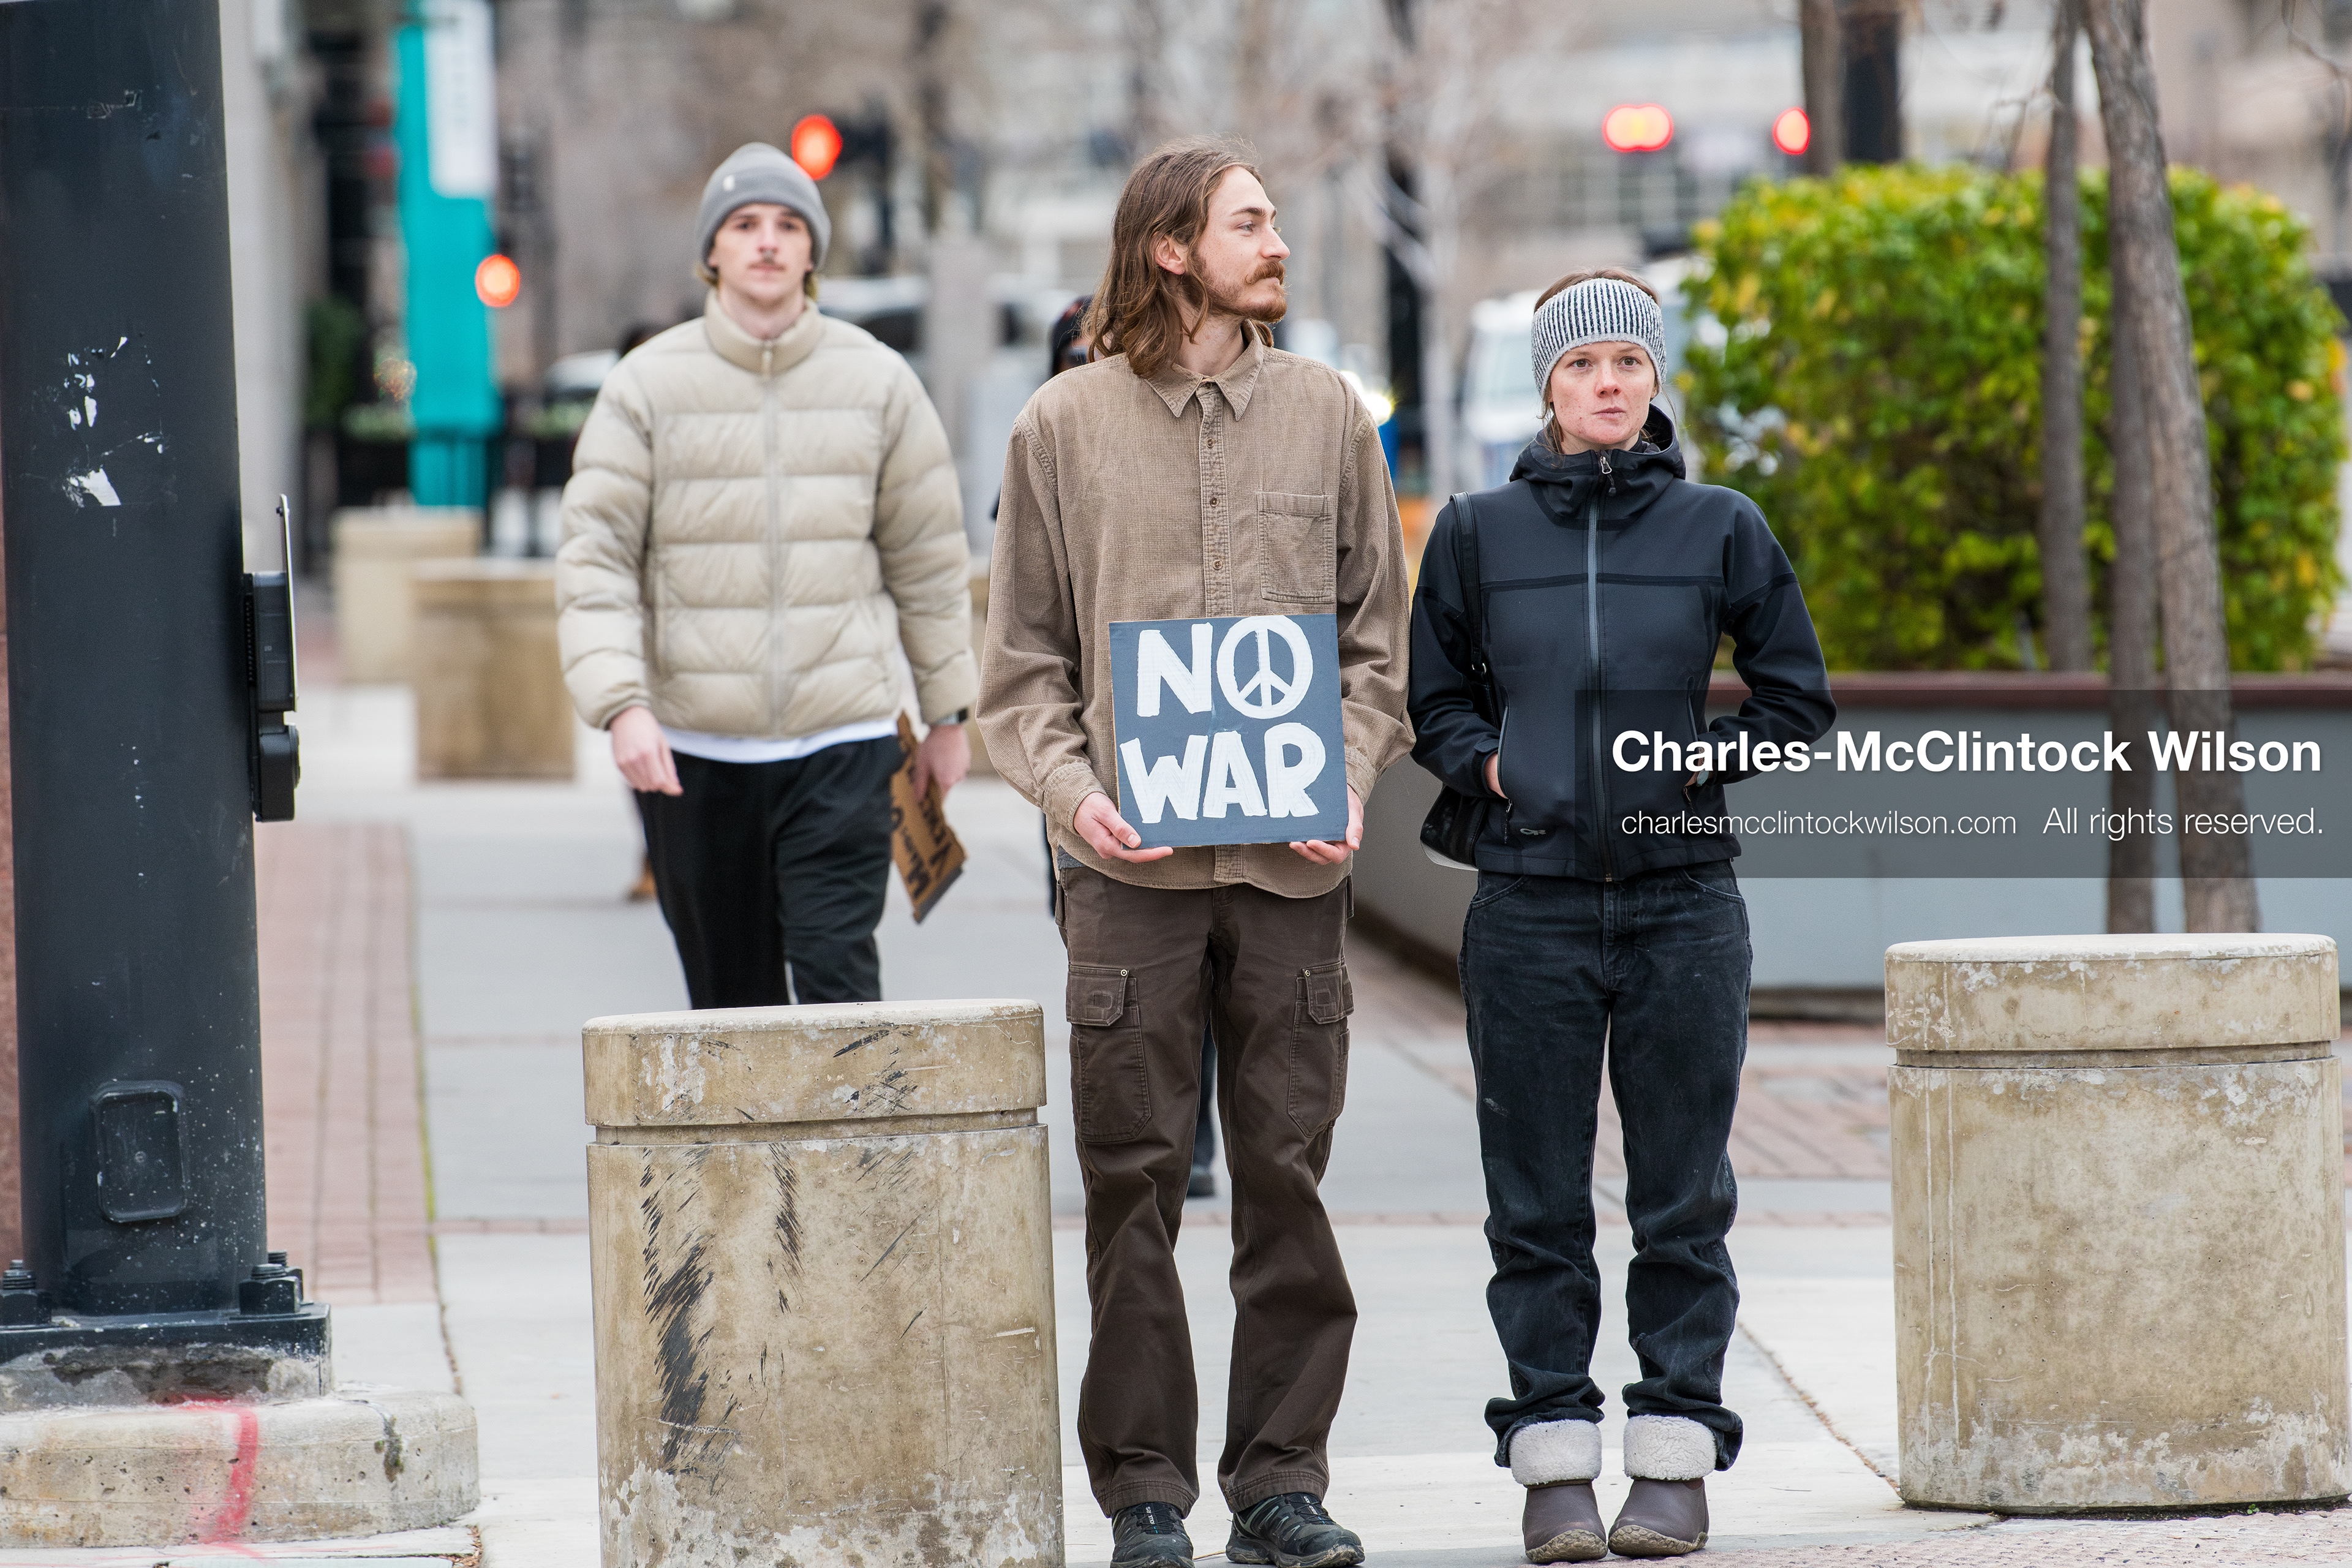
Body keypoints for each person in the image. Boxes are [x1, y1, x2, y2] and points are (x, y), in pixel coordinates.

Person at [979, 137, 1411, 1568]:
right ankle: (1147, 1496)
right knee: (1135, 1184)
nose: (1278, 242)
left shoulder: (1331, 416)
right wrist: (1071, 795)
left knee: (1284, 1177)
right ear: (1172, 248)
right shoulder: (1058, 429)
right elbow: (1021, 675)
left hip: (1293, 876)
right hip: (1131, 879)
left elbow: (1373, 652)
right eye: (1251, 222)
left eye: (1275, 221)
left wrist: (1345, 780)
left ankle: (1282, 1482)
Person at [1407, 270, 1834, 1562]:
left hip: (1682, 904)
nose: (1609, 382)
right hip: (1528, 906)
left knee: (1680, 1195)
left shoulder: (1721, 525)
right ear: (1547, 382)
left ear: (1656, 382)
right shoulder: (1478, 531)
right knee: (1533, 1201)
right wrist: (1491, 763)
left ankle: (1673, 1457)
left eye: (1629, 364)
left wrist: (1697, 756)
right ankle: (1552, 1459)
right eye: (1584, 362)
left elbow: (1796, 697)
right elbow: (1436, 701)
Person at [557, 141, 975, 1007]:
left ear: (814, 251)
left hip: (845, 741)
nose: (767, 242)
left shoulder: (879, 382)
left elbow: (928, 559)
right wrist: (622, 705)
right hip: (698, 755)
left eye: (789, 225)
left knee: (838, 983)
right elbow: (595, 559)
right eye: (744, 225)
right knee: (730, 1007)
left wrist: (949, 714)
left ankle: (850, 1148)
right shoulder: (645, 388)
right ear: (711, 250)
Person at [1034, 296, 1225, 1202]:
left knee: (1221, 953)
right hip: (1093, 763)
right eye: (1076, 353)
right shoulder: (1042, 461)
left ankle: (1194, 1136)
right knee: (1115, 960)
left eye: (1104, 348)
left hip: (1218, 745)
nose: (1094, 364)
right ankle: (1149, 1125)